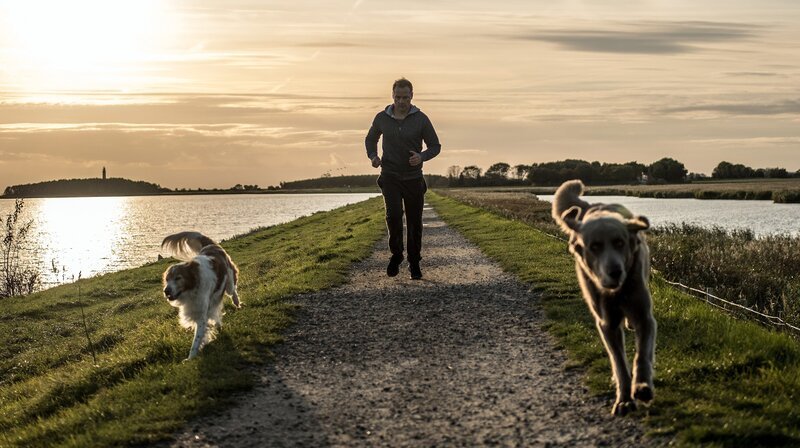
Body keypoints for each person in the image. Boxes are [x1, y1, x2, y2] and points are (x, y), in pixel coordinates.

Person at [365, 77, 441, 280]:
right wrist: (373, 156)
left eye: (405, 97)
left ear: (412, 96)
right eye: (397, 97)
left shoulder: (421, 119)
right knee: (393, 217)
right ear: (392, 96)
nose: (401, 101)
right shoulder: (382, 117)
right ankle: (396, 255)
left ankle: (414, 262)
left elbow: (435, 145)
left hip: (413, 178)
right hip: (389, 176)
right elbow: (371, 139)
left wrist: (422, 156)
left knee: (415, 222)